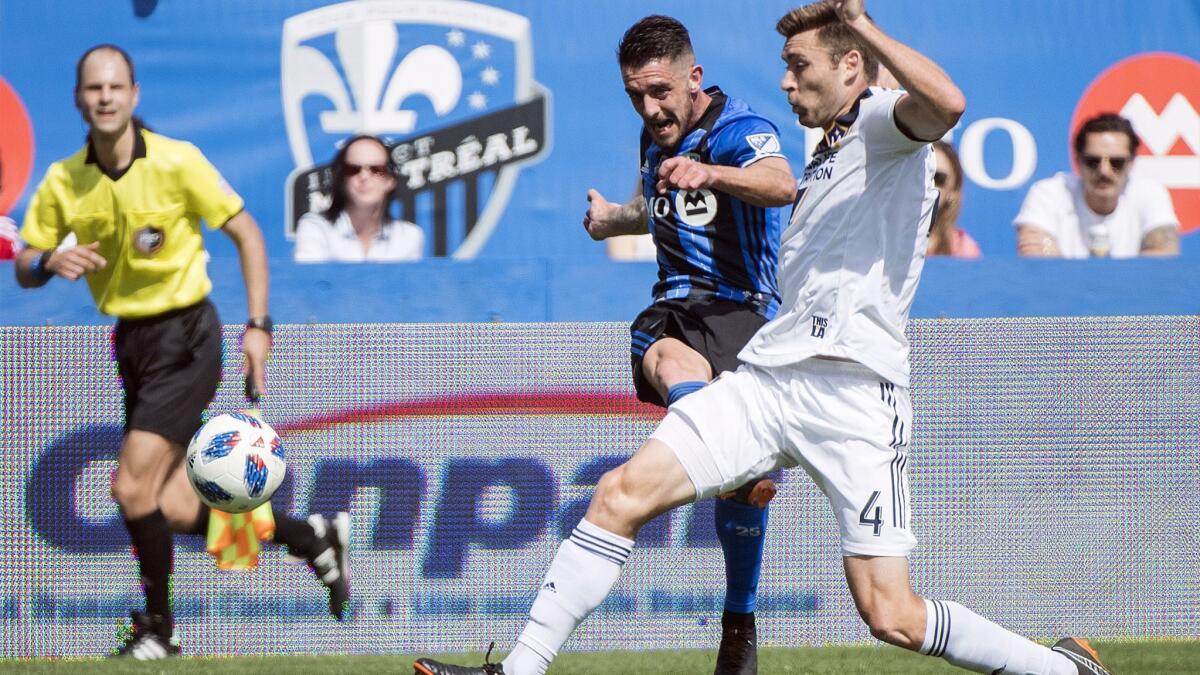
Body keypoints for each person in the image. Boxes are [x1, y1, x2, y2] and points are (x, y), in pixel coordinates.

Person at [413, 2, 1111, 675]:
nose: (783, 80)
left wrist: (863, 24)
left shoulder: (882, 125)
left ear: (849, 66)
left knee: (891, 612)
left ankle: (1059, 666)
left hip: (855, 395)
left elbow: (949, 104)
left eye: (797, 64)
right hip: (771, 379)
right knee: (618, 493)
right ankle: (519, 669)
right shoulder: (830, 147)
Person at [15, 44, 350, 660]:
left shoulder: (177, 161)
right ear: (78, 100)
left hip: (188, 335)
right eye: (94, 89)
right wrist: (48, 261)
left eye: (117, 86)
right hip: (132, 343)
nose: (106, 97)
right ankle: (310, 536)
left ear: (135, 94)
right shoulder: (66, 180)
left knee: (128, 488)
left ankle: (157, 628)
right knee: (166, 505)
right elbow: (26, 264)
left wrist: (258, 325)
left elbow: (246, 232)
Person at [578, 15, 796, 675]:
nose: (650, 107)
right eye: (636, 96)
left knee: (733, 482)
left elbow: (780, 183)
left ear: (693, 77)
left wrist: (713, 175)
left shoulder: (740, 130)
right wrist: (611, 219)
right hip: (679, 311)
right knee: (663, 351)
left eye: (661, 91)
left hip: (746, 316)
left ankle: (739, 621)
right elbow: (658, 202)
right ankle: (736, 458)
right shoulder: (654, 138)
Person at [1014, 112, 1180, 258]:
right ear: (1077, 161)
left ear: (1131, 163)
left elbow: (1163, 259)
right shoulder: (1049, 193)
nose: (1104, 171)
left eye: (1117, 162)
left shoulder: (1150, 194)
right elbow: (1036, 259)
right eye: (1093, 161)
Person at [294, 134, 423, 262]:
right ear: (342, 179)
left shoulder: (408, 236)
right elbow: (310, 281)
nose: (364, 176)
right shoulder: (316, 228)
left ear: (390, 181)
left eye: (376, 169)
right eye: (353, 169)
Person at [928, 141, 981, 258]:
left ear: (953, 191)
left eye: (938, 178)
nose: (926, 184)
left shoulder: (964, 249)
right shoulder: (881, 240)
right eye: (920, 174)